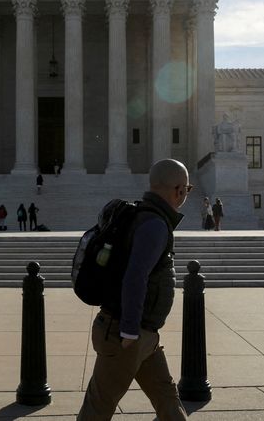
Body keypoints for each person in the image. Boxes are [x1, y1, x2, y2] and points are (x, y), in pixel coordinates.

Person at [78, 158, 190, 420]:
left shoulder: (145, 216)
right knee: (97, 409)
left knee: (168, 400)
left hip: (144, 335)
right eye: (187, 189)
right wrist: (129, 331)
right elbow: (135, 276)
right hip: (127, 334)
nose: (186, 194)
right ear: (179, 190)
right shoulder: (154, 224)